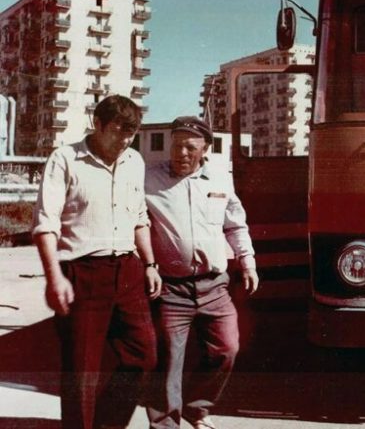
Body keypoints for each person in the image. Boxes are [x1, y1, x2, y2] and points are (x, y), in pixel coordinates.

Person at [31, 94, 161, 429]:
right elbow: (45, 224)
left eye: (131, 133)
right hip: (83, 272)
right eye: (118, 131)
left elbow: (139, 217)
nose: (124, 140)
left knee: (144, 355)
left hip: (128, 271)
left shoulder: (134, 161)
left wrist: (149, 264)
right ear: (97, 124)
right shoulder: (65, 159)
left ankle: (105, 424)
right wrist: (54, 277)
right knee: (82, 371)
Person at [145, 116, 259, 429]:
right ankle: (165, 424)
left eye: (190, 147)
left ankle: (197, 408)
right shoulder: (148, 179)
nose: (181, 153)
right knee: (169, 360)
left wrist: (247, 261)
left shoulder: (220, 179)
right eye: (176, 145)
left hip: (214, 287)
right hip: (171, 288)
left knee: (227, 349)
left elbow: (235, 224)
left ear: (205, 148)